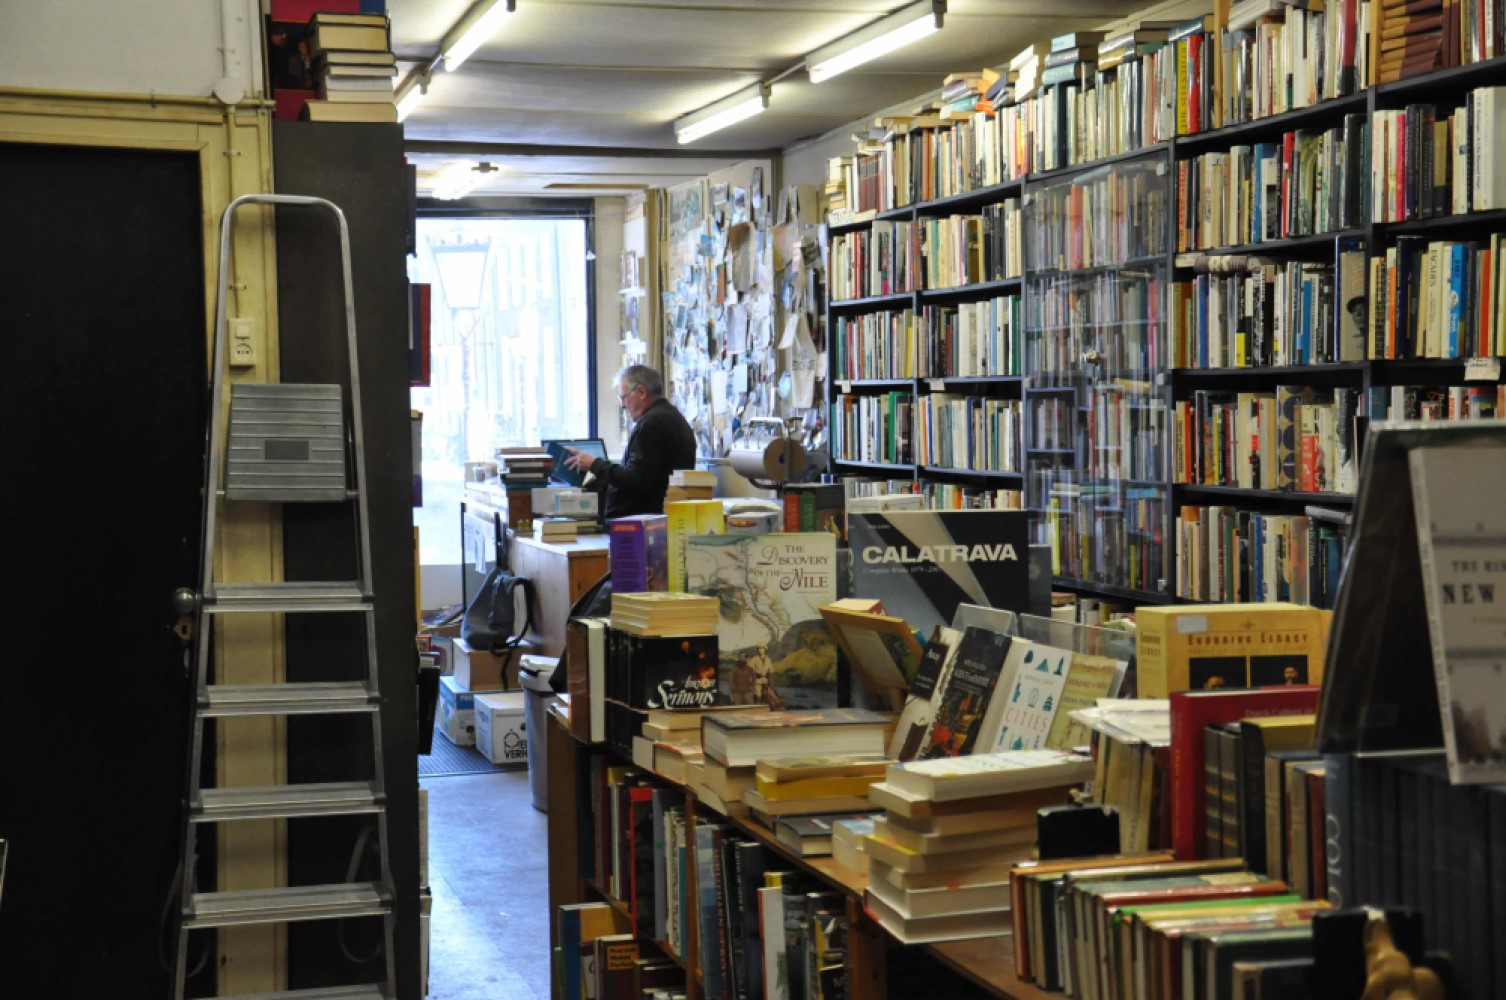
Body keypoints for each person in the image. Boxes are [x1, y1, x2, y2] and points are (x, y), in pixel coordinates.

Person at [563, 365, 696, 518]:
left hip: (639, 524)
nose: (623, 405)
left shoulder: (650, 424)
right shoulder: (674, 416)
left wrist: (595, 465)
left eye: (623, 397)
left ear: (641, 392)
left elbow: (636, 480)